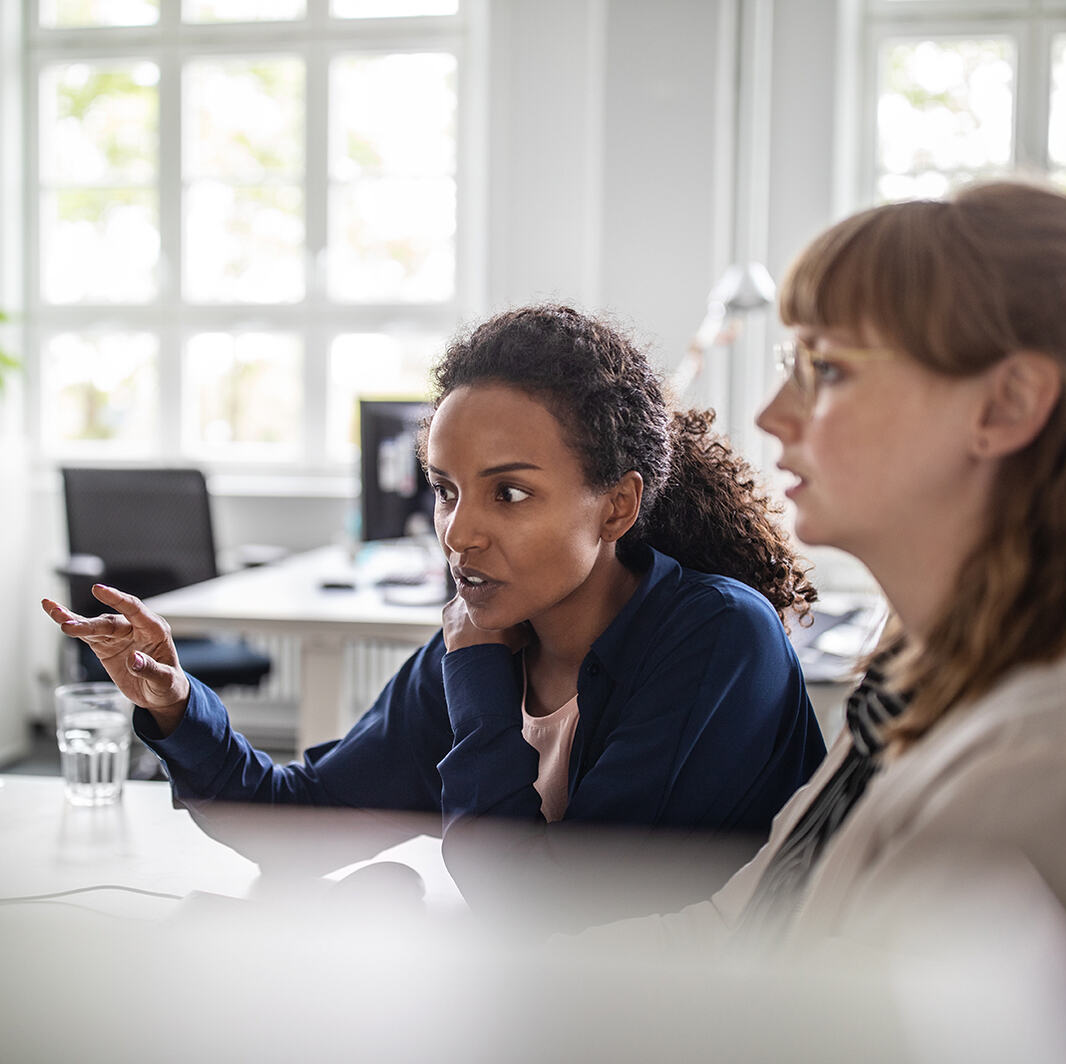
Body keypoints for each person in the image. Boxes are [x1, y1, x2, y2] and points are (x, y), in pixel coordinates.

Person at [42, 304, 825, 919]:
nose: (458, 532)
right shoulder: (480, 644)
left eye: (509, 493)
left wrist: (479, 677)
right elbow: (296, 825)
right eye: (446, 490)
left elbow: (550, 909)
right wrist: (176, 705)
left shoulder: (718, 637)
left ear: (617, 506)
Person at [580, 180, 1066, 957]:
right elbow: (744, 927)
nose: (767, 417)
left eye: (825, 369)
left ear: (1006, 405)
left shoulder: (1052, 751)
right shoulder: (909, 678)